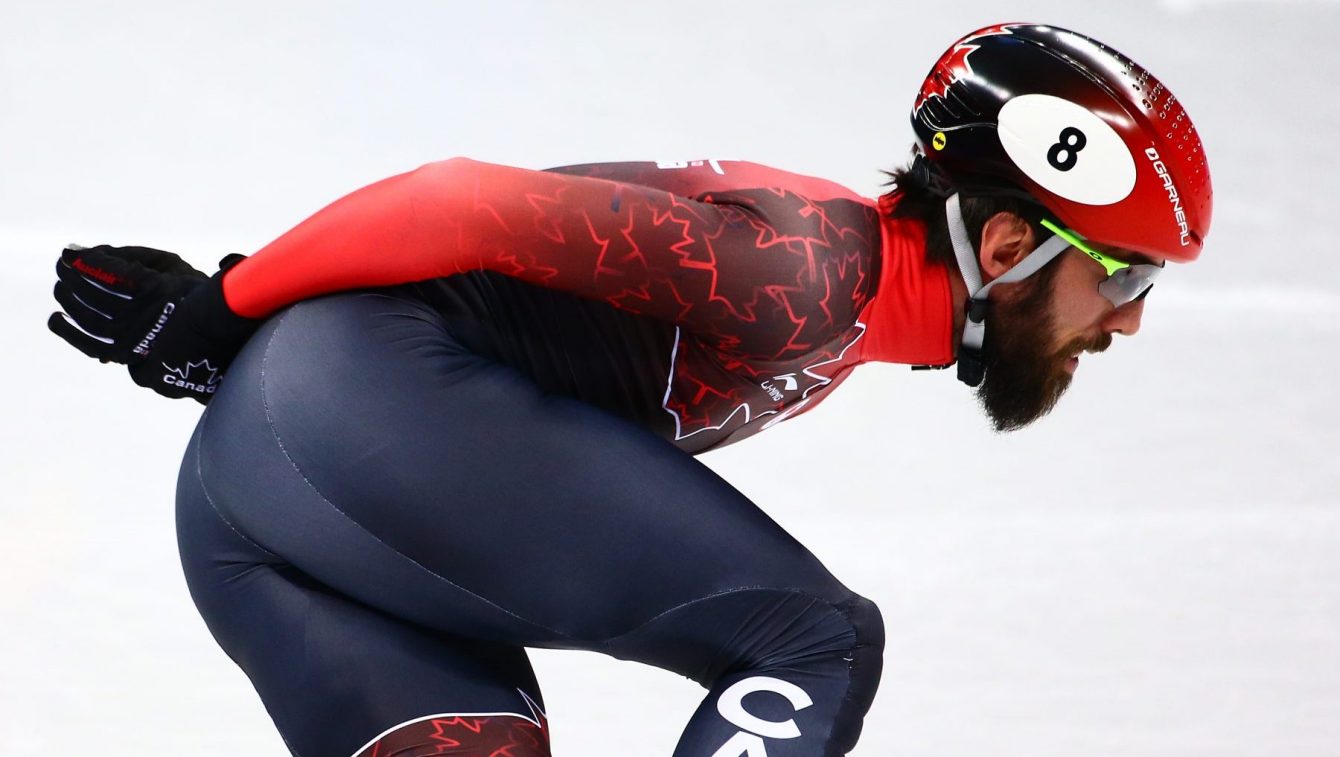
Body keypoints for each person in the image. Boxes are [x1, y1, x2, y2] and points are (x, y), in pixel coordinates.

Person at [48, 23, 1211, 757]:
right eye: (1125, 275)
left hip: (262, 508)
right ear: (1007, 244)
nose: (1132, 319)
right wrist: (225, 300)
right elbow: (457, 202)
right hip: (354, 409)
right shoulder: (803, 273)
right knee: (810, 640)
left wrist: (229, 337)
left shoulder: (839, 308)